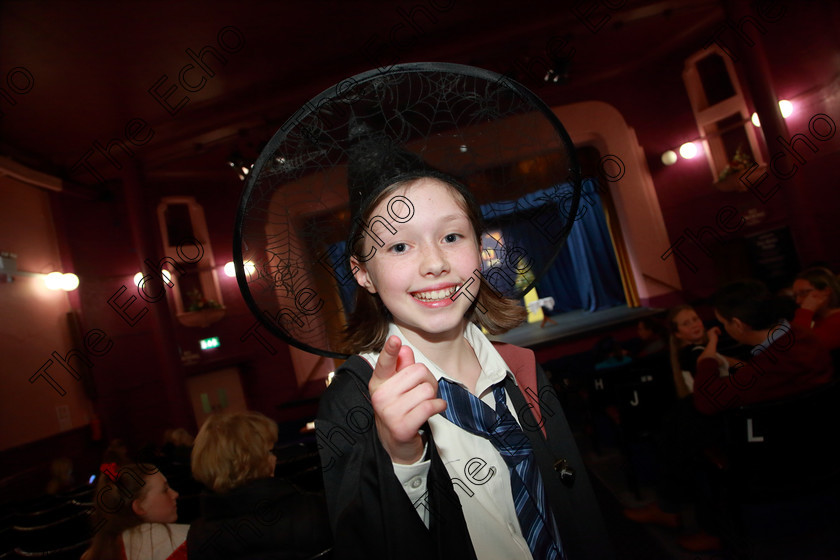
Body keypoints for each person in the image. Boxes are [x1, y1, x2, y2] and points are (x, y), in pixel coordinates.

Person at [317, 145, 613, 559]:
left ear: (478, 245)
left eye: (452, 236)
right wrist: (400, 457)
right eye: (399, 247)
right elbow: (365, 544)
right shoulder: (352, 401)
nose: (435, 263)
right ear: (362, 272)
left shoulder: (519, 367)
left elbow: (577, 508)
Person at [187, 411, 331, 560]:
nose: (274, 458)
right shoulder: (313, 511)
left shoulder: (198, 537)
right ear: (251, 462)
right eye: (269, 452)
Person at [693, 279, 834, 415]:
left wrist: (707, 360)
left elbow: (707, 401)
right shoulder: (802, 334)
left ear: (737, 324)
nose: (725, 328)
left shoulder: (772, 363)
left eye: (723, 323)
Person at [81, 463, 188, 560]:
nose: (175, 494)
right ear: (139, 507)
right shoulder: (181, 543)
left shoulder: (97, 551)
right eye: (164, 490)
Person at [790, 266, 840, 351]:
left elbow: (799, 348)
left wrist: (805, 312)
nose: (798, 301)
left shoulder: (837, 320)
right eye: (795, 296)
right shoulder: (815, 318)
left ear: (826, 291)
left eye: (803, 293)